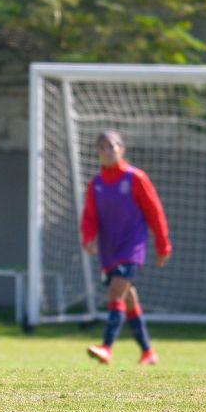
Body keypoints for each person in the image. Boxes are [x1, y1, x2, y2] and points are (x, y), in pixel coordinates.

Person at [81, 130, 172, 366]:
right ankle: (148, 352)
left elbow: (155, 212)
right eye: (102, 147)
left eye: (111, 146)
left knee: (115, 292)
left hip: (132, 248)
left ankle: (107, 347)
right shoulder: (96, 184)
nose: (106, 150)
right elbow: (90, 217)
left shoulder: (135, 178)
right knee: (127, 296)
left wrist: (163, 244)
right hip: (109, 249)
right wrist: (88, 238)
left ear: (122, 149)